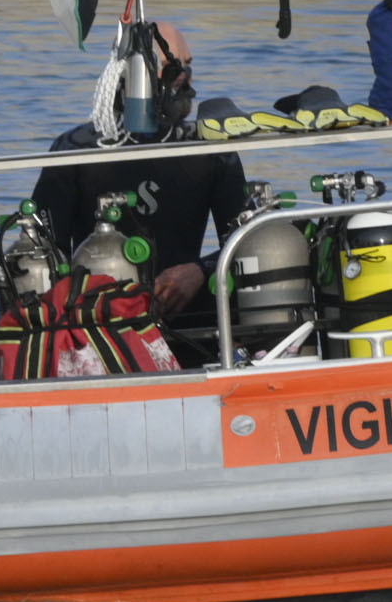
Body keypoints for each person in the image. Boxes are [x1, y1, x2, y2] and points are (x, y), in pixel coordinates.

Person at [26, 21, 251, 359]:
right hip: (99, 327)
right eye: (175, 66)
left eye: (189, 65)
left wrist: (199, 271)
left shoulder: (208, 147)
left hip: (189, 319)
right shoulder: (77, 149)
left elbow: (244, 242)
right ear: (134, 73)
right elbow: (42, 253)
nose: (187, 76)